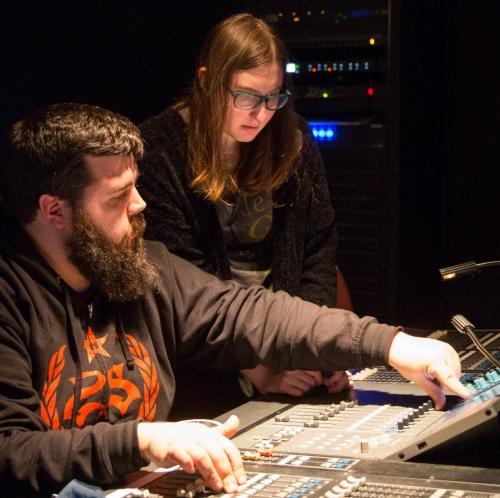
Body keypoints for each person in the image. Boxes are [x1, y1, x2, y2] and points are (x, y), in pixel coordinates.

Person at [0, 102, 471, 498]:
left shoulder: (133, 265)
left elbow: (246, 313)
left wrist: (388, 344)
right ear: (54, 211)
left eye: (136, 186)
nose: (140, 205)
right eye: (118, 197)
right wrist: (145, 439)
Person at [138, 13, 345, 413]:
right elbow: (184, 286)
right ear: (206, 81)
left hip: (285, 342)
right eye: (247, 96)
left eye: (274, 97)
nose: (262, 114)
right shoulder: (158, 149)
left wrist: (317, 346)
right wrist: (260, 368)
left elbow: (318, 252)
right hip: (201, 368)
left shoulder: (293, 135)